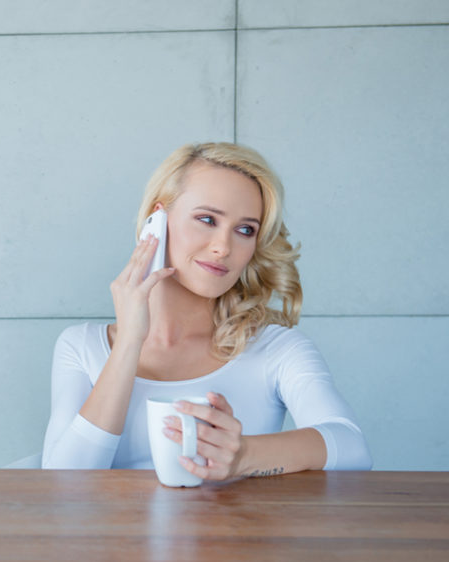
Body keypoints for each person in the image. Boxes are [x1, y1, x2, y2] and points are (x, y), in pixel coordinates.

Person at [42, 142, 371, 477]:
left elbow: (352, 447)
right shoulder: (80, 347)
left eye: (245, 230)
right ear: (157, 220)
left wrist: (244, 455)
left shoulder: (276, 349)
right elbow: (64, 480)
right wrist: (129, 343)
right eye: (207, 219)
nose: (223, 247)